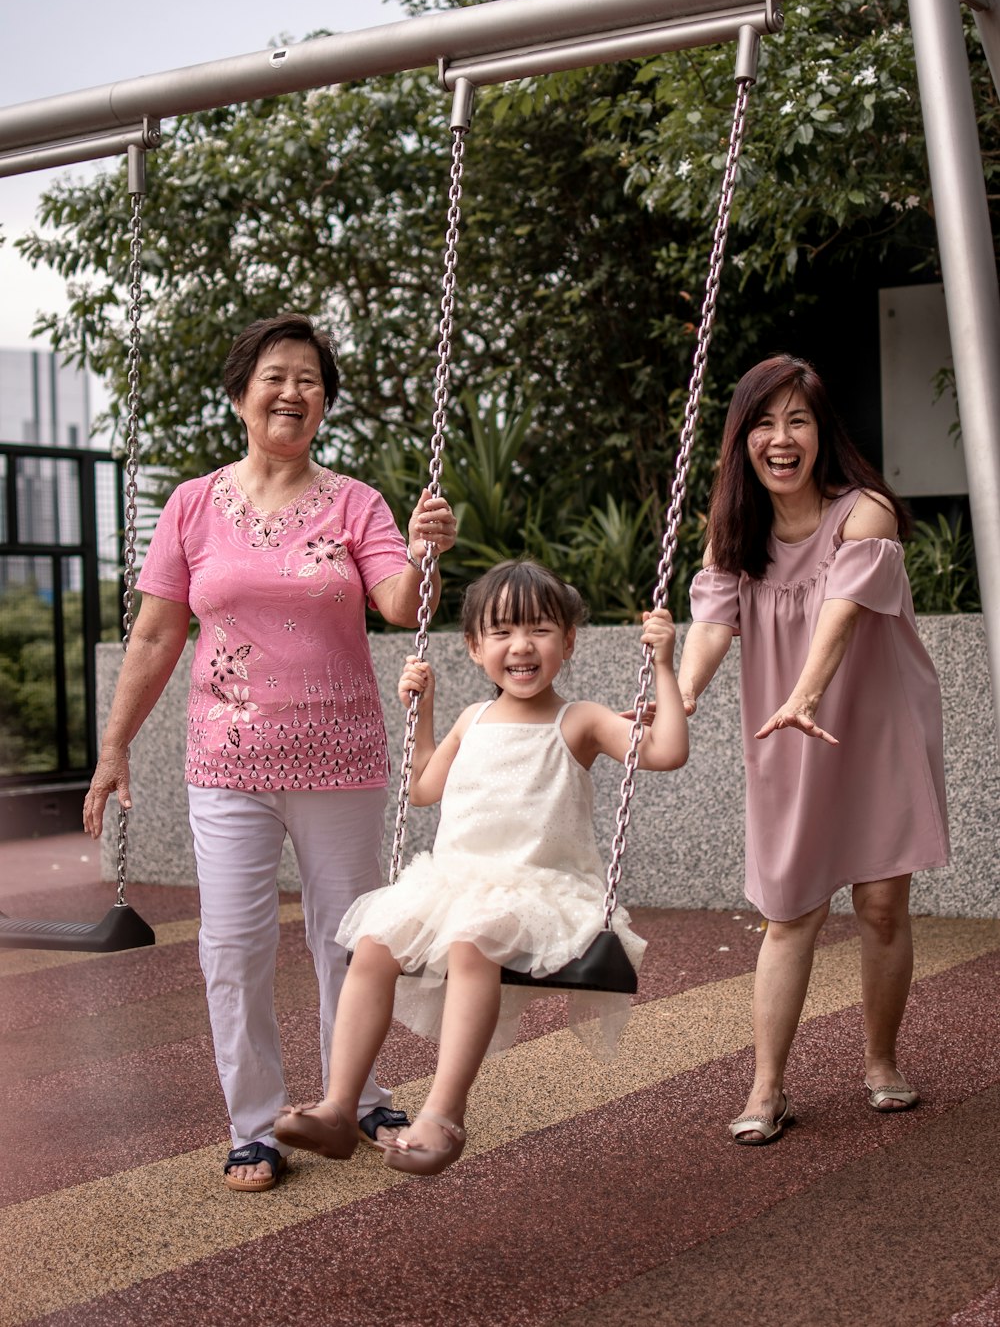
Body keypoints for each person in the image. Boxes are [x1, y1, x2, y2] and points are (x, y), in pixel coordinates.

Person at [83, 311, 458, 1191]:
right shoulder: (191, 505)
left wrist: (426, 548)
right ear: (242, 394)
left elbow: (401, 603)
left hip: (340, 758)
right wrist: (113, 747)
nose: (294, 392)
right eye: (277, 376)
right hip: (228, 764)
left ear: (324, 404)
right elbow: (154, 636)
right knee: (233, 946)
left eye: (311, 381)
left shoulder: (355, 501)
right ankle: (253, 1123)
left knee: (350, 941)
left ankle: (356, 1094)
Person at [272, 557, 689, 1176]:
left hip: (539, 887)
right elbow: (422, 791)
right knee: (374, 943)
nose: (521, 646)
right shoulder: (473, 720)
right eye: (501, 632)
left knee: (473, 940)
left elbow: (668, 752)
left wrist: (663, 667)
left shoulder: (580, 721)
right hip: (453, 878)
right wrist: (426, 714)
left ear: (569, 641)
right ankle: (339, 1107)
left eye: (540, 630)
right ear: (473, 648)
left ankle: (442, 1114)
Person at [677, 354, 949, 1145]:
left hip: (874, 725)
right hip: (784, 734)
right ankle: (767, 1089)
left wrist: (804, 692)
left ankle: (881, 1062)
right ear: (742, 441)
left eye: (797, 419)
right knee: (789, 911)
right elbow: (713, 625)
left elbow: (840, 615)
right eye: (763, 422)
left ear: (823, 432)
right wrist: (685, 693)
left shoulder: (864, 511)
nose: (781, 438)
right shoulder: (735, 530)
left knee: (880, 905)